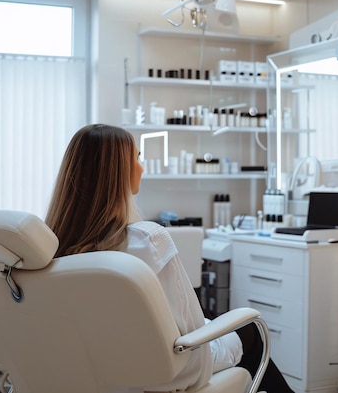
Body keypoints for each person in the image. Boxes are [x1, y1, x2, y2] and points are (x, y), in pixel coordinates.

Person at [45, 124, 294, 393]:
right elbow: (191, 337)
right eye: (137, 158)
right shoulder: (147, 241)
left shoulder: (51, 250)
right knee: (250, 329)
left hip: (93, 373)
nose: (141, 167)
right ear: (119, 172)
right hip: (163, 375)